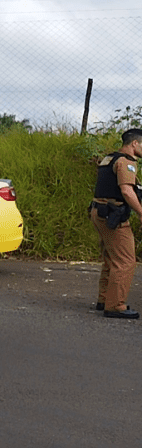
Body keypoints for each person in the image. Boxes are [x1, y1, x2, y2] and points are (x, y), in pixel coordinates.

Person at [90, 128, 142, 319]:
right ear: (134, 144)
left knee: (111, 258)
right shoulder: (127, 162)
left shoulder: (109, 158)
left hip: (98, 212)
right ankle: (115, 306)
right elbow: (127, 191)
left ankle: (104, 299)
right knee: (126, 261)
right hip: (113, 215)